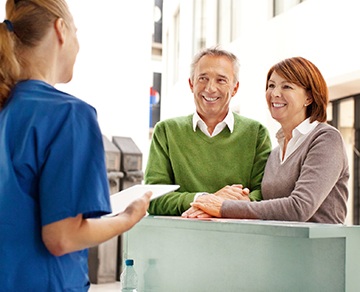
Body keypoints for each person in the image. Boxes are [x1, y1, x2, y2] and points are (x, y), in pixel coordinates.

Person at [0, 1, 151, 291]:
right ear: (61, 30)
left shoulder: (6, 109)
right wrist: (128, 218)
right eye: (77, 32)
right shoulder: (68, 114)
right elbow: (62, 238)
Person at [189, 56, 349, 224]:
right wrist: (239, 202)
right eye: (271, 86)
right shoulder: (275, 153)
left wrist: (222, 207)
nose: (275, 93)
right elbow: (269, 207)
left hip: (320, 248)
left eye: (286, 86)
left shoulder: (326, 139)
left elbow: (299, 207)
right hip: (279, 247)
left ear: (308, 98)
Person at [144, 46, 272, 216]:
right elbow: (153, 198)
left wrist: (220, 206)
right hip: (180, 238)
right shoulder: (166, 132)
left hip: (239, 239)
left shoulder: (256, 133)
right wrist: (204, 200)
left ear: (235, 88)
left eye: (221, 80)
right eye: (203, 78)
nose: (210, 88)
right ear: (191, 84)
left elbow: (262, 196)